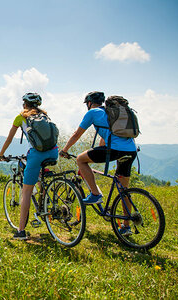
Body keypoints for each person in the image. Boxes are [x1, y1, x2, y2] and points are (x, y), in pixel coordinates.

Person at [59, 91, 137, 236]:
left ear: (89, 103)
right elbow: (106, 136)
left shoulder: (93, 113)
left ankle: (95, 194)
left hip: (115, 150)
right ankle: (126, 226)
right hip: (131, 150)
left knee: (81, 159)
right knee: (123, 188)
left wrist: (65, 149)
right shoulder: (110, 113)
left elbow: (77, 134)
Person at [0, 92, 59, 240]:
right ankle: (44, 202)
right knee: (40, 174)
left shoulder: (21, 117)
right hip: (54, 152)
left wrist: (1, 154)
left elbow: (9, 139)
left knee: (26, 192)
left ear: (24, 104)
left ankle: (21, 231)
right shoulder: (45, 116)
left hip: (37, 154)